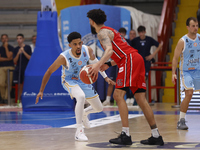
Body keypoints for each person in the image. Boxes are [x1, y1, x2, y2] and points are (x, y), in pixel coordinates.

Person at [87, 9, 164, 146]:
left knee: (118, 95)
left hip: (129, 60)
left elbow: (110, 51)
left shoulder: (102, 33)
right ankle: (156, 135)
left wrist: (98, 64)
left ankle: (125, 135)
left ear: (92, 21)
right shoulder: (111, 31)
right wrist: (108, 64)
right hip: (135, 59)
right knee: (141, 99)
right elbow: (121, 52)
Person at [35, 32, 115, 141]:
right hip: (69, 81)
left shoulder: (87, 50)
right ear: (70, 45)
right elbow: (49, 71)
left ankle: (84, 113)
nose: (78, 46)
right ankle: (79, 131)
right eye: (75, 44)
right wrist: (41, 90)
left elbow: (96, 63)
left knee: (99, 108)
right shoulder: (63, 57)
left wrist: (105, 77)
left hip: (83, 81)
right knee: (81, 97)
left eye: (79, 43)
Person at [172, 17, 200, 130]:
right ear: (187, 27)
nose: (195, 28)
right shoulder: (182, 41)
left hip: (198, 71)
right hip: (186, 71)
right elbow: (175, 58)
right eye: (193, 26)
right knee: (189, 93)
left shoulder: (199, 38)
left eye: (197, 25)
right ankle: (181, 120)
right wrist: (173, 73)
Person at [13, 34, 32, 101]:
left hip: (26, 68)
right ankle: (19, 99)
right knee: (19, 85)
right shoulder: (15, 49)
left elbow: (30, 58)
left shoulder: (27, 47)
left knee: (27, 84)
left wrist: (23, 51)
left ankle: (27, 98)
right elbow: (14, 61)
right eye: (18, 38)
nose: (19, 40)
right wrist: (18, 53)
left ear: (23, 39)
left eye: (20, 38)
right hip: (19, 69)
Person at [0, 34, 15, 104]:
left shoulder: (11, 48)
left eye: (5, 38)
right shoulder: (0, 48)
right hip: (1, 67)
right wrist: (7, 59)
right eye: (3, 38)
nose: (4, 40)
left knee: (9, 83)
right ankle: (3, 97)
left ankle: (6, 98)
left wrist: (6, 47)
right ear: (1, 40)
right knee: (1, 83)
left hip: (10, 67)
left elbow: (10, 55)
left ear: (8, 39)